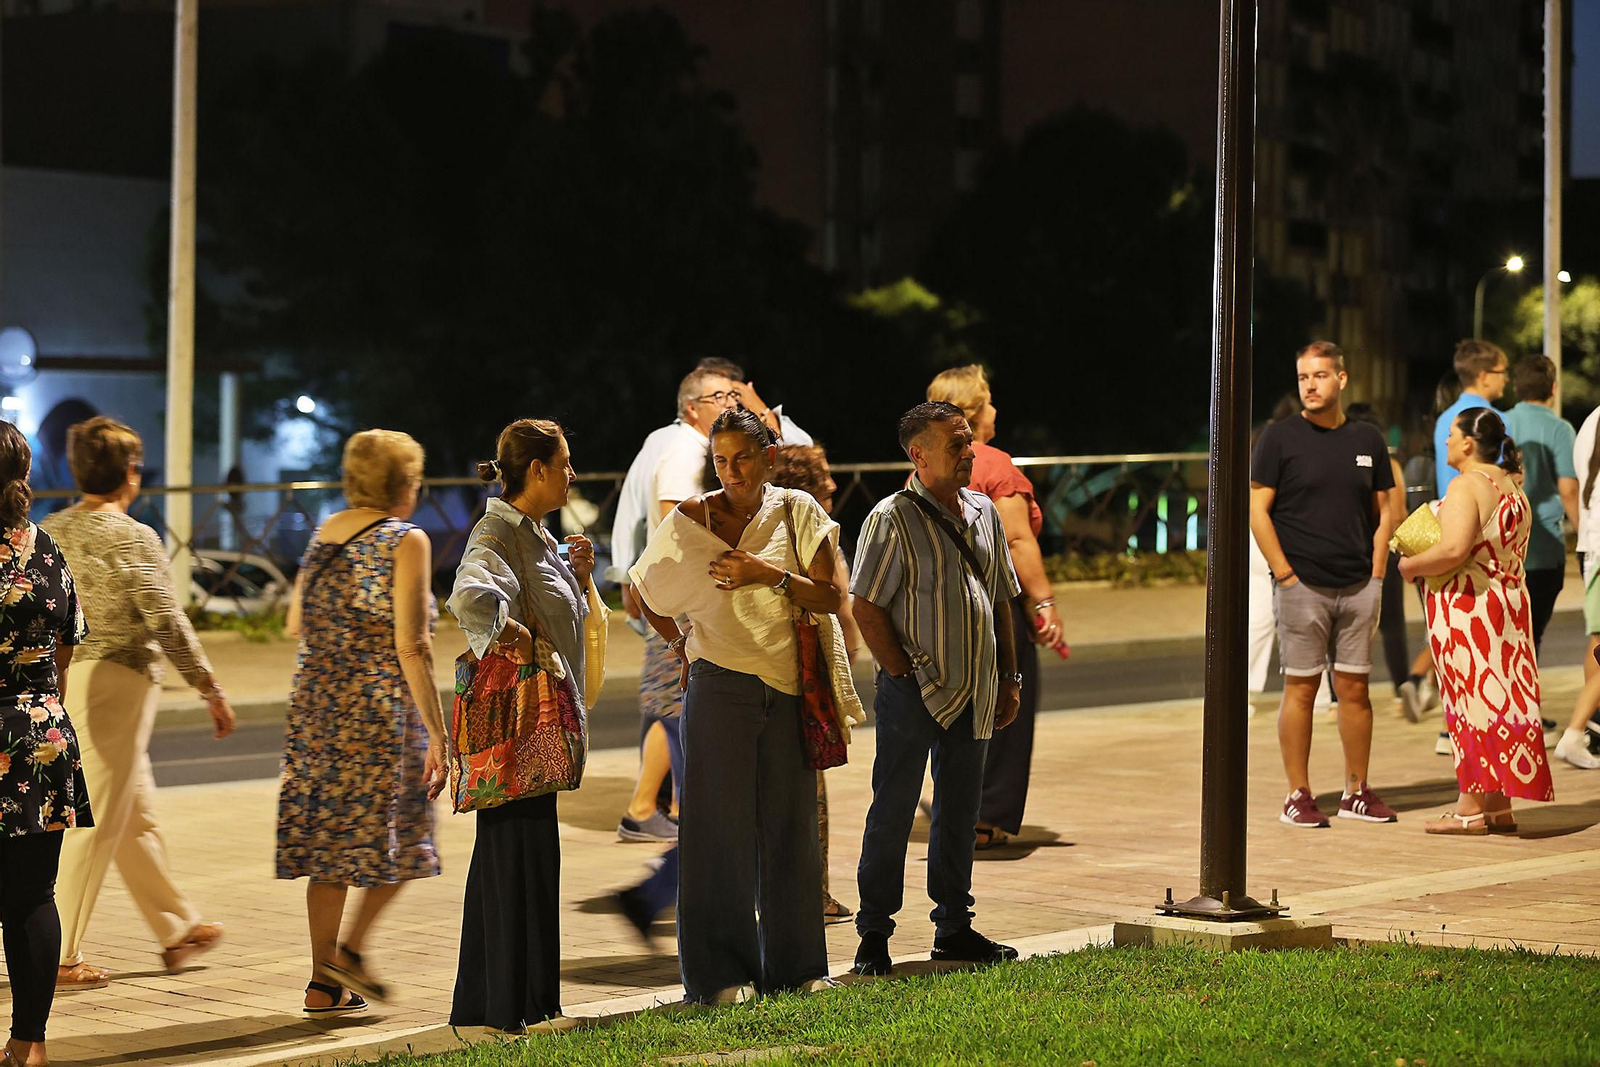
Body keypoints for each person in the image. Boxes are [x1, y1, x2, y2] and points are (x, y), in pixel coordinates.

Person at [629, 407, 859, 1004]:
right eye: (721, 460)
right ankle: (718, 977)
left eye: (744, 458)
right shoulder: (692, 516)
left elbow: (833, 596)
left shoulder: (797, 511)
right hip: (718, 685)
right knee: (716, 835)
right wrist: (680, 641)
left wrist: (767, 575)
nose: (731, 471)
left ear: (770, 457)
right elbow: (642, 591)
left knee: (791, 831)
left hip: (787, 686)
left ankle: (799, 967)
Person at [42, 417, 236, 993]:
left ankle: (176, 928)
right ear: (131, 473)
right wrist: (208, 685)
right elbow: (166, 620)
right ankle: (61, 955)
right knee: (94, 820)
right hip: (117, 681)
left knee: (133, 815)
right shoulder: (133, 535)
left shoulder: (50, 529)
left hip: (70, 676)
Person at [276, 429, 447, 1017]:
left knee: (330, 849)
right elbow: (414, 645)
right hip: (378, 711)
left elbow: (295, 621)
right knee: (408, 836)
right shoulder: (407, 541)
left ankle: (322, 984)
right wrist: (439, 733)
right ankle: (348, 951)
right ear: (404, 486)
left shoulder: (325, 533)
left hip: (317, 708)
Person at [850, 401, 1022, 977]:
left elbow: (1000, 598)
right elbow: (865, 605)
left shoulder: (983, 512)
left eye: (968, 441)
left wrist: (1009, 678)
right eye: (956, 444)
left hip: (975, 687)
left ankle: (954, 928)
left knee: (959, 811)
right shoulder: (890, 518)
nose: (970, 452)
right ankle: (874, 933)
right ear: (918, 454)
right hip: (912, 692)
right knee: (893, 811)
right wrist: (902, 674)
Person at [447, 418, 596, 1033]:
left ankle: (511, 1002)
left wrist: (577, 577)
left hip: (531, 729)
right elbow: (471, 596)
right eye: (564, 464)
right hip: (519, 727)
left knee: (520, 858)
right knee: (514, 856)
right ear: (536, 471)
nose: (572, 474)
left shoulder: (532, 531)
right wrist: (518, 636)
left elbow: (557, 610)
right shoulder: (498, 532)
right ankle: (511, 1004)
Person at [1249, 341, 1396, 829]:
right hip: (1303, 585)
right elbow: (1256, 510)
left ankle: (1357, 790)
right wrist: (1285, 575)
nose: (1310, 385)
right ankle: (1299, 793)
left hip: (1358, 585)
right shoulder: (1279, 437)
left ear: (1341, 379)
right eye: (1303, 378)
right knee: (1301, 688)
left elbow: (1385, 510)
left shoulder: (1367, 438)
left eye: (1320, 376)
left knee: (1355, 690)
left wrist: (1376, 573)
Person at [925, 366, 1065, 850]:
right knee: (1005, 710)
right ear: (973, 411)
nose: (995, 411)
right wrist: (1044, 603)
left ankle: (955, 809)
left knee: (953, 714)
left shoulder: (921, 464)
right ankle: (985, 818)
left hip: (939, 608)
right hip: (993, 609)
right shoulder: (996, 464)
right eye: (989, 402)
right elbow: (1019, 541)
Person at [1400, 408, 1554, 832]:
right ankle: (1498, 806)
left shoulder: (1467, 484)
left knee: (1469, 702)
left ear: (1468, 441)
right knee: (1501, 699)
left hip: (1470, 609)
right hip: (1509, 604)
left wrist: (1409, 567)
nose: (1446, 441)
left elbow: (1453, 550)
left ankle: (1469, 809)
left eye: (1451, 434)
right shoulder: (1511, 484)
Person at [0, 421, 92, 1067]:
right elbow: (68, 640)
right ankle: (28, 1043)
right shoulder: (48, 549)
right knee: (34, 895)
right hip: (44, 733)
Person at [770, 442, 863, 922]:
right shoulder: (808, 532)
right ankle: (814, 893)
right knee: (809, 787)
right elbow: (838, 601)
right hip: (802, 673)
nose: (831, 484)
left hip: (789, 671)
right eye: (822, 476)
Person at [1248, 396, 1335, 715]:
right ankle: (1320, 697)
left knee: (1260, 622)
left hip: (1260, 545)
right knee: (1308, 621)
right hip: (1284, 541)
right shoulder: (1290, 444)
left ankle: (1242, 693)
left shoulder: (1261, 439)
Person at [1501, 356, 1578, 653]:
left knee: (1503, 638)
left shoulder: (1499, 422)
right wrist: (1585, 538)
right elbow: (1569, 490)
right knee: (1531, 640)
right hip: (1544, 551)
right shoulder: (1560, 430)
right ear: (1554, 388)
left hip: (1504, 548)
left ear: (1516, 387)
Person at [1344, 403, 1412, 715]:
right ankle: (1401, 691)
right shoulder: (1392, 465)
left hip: (1351, 552)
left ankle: (1336, 698)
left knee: (1344, 628)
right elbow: (1399, 515)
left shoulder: (1343, 461)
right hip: (1390, 552)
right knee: (1393, 625)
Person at [1555, 402, 1600, 769]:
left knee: (1598, 643)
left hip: (1593, 547)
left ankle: (1587, 728)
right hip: (1598, 546)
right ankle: (1578, 729)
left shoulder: (1590, 420)